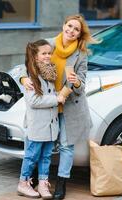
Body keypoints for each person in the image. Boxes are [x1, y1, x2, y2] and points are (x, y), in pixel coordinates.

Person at [20, 14, 97, 199]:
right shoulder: (47, 45)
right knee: (40, 146)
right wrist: (23, 78)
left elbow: (82, 86)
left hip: (69, 107)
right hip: (46, 105)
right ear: (63, 26)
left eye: (76, 29)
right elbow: (27, 64)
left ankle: (61, 184)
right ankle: (34, 182)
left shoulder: (81, 54)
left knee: (65, 147)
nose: (71, 31)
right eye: (69, 26)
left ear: (80, 34)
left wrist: (76, 82)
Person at [17, 39, 66, 199]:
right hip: (37, 125)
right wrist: (56, 99)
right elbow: (34, 101)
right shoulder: (31, 76)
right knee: (31, 156)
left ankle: (43, 183)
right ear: (35, 56)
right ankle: (23, 183)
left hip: (51, 126)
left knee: (46, 157)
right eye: (43, 53)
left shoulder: (49, 72)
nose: (47, 56)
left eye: (49, 53)